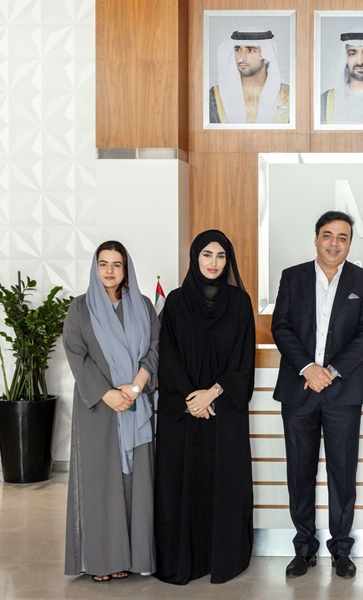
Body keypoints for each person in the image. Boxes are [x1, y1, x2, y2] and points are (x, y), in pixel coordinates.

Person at [271, 211, 363, 579]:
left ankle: (341, 550)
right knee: (299, 472)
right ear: (316, 238)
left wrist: (330, 372)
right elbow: (281, 326)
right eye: (328, 235)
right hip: (299, 389)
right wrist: (308, 368)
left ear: (350, 243)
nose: (335, 243)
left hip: (343, 391)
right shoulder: (293, 277)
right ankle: (303, 548)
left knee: (342, 473)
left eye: (343, 237)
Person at [154, 230, 256, 585]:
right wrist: (191, 399)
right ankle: (185, 558)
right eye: (207, 255)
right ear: (195, 257)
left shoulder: (240, 303)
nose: (214, 263)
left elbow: (243, 360)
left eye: (221, 256)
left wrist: (211, 394)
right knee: (182, 485)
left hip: (224, 410)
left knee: (224, 483)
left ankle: (222, 557)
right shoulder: (176, 302)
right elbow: (167, 357)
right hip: (183, 414)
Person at [64, 241, 159, 582]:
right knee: (99, 483)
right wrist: (107, 394)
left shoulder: (143, 306)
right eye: (103, 263)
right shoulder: (80, 308)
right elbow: (77, 355)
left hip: (135, 406)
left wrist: (134, 388)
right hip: (98, 409)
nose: (109, 271)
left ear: (126, 269)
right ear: (95, 267)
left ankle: (132, 558)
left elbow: (154, 349)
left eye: (116, 264)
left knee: (137, 485)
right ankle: (101, 561)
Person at [209, 30, 290, 124]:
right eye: (238, 50)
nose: (241, 58)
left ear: (267, 56)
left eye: (251, 50)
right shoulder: (215, 96)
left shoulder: (289, 96)